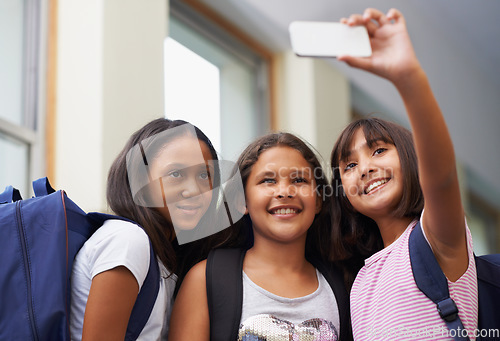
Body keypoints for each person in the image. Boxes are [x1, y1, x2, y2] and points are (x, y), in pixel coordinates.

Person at [329, 8, 478, 340]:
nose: (365, 168)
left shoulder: (434, 237)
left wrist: (408, 77)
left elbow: (441, 179)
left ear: (412, 160)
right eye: (349, 166)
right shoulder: (360, 283)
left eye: (379, 150)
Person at [169, 132, 352, 340]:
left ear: (318, 200)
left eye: (299, 180)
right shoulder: (205, 278)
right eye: (268, 180)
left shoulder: (342, 284)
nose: (284, 192)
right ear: (241, 202)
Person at [70, 118, 224, 340]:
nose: (194, 189)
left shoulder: (164, 256)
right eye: (176, 174)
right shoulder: (128, 240)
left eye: (204, 175)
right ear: (139, 180)